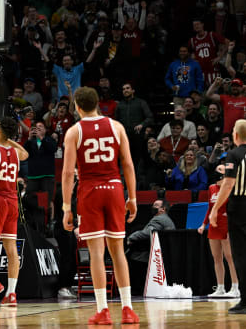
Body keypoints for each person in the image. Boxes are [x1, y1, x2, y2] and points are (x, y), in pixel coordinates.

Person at [62, 87, 139, 324]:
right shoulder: (117, 127)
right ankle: (127, 308)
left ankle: (103, 310)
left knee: (96, 253)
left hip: (90, 191)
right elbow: (127, 163)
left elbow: (67, 173)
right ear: (98, 104)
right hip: (114, 188)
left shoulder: (74, 131)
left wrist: (66, 206)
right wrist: (133, 197)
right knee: (118, 251)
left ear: (76, 106)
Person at [0, 117, 29, 306]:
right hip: (12, 201)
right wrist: (7, 137)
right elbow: (25, 153)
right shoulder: (16, 153)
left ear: (1, 132)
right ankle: (11, 293)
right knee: (12, 250)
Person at [209, 119, 246, 313]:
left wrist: (215, 209)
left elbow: (229, 184)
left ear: (236, 135)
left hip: (240, 207)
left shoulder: (233, 153)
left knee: (241, 255)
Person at [198, 176, 240, 298]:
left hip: (227, 224)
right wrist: (203, 224)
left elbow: (236, 208)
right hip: (214, 225)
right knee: (217, 258)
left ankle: (235, 287)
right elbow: (210, 208)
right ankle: (220, 287)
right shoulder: (211, 188)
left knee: (230, 257)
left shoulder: (231, 188)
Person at [126, 200, 175, 294]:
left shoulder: (159, 219)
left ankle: (135, 290)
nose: (153, 207)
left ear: (163, 209)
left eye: (156, 205)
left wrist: (131, 237)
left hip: (155, 255)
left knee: (131, 257)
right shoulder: (166, 219)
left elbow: (147, 232)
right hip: (163, 254)